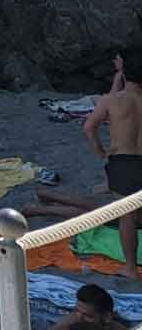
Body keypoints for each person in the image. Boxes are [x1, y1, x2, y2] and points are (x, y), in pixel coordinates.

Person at [83, 52, 141, 279]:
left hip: (123, 162)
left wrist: (100, 151)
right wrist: (121, 73)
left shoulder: (111, 100)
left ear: (127, 73)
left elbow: (89, 127)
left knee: (127, 216)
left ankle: (130, 268)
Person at [53, 283, 123, 330]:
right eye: (76, 310)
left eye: (87, 316)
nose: (78, 318)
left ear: (107, 317)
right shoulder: (72, 320)